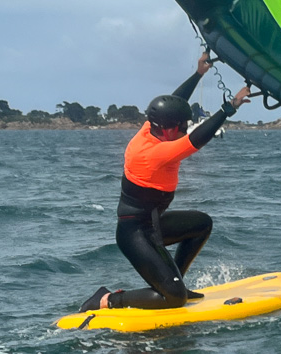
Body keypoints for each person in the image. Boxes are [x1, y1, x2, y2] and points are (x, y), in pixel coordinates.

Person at [79, 53, 251, 311]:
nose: (184, 130)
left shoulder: (152, 127)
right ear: (170, 129)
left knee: (202, 224)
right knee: (174, 300)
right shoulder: (154, 152)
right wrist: (229, 108)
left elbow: (174, 103)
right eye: (182, 126)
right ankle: (108, 299)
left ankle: (176, 282)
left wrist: (198, 74)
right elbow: (196, 140)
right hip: (135, 234)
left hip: (153, 224)